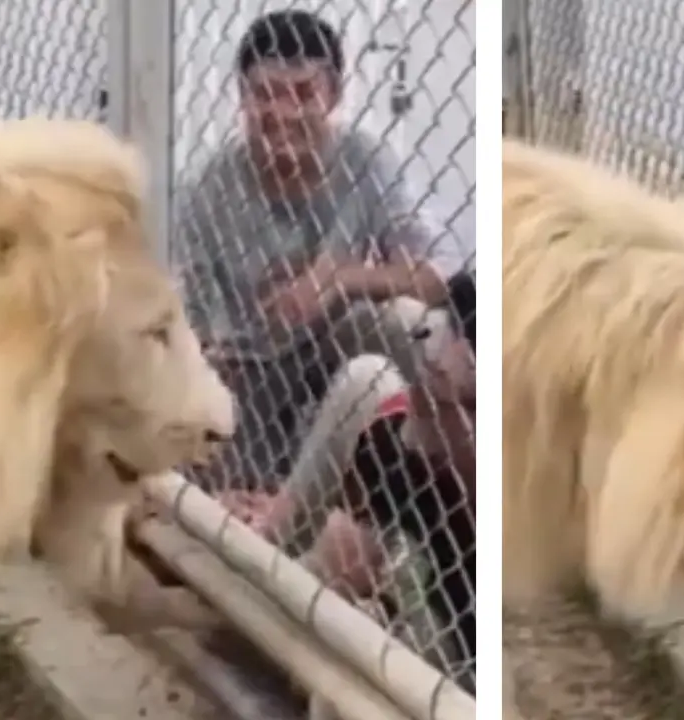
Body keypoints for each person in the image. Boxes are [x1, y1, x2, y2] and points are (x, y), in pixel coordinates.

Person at [174, 10, 466, 487]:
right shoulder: (208, 191)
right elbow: (212, 345)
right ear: (242, 98)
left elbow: (435, 279)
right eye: (265, 95)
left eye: (304, 94)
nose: (283, 114)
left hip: (339, 351)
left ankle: (441, 478)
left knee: (410, 324)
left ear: (334, 95)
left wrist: (338, 277)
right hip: (252, 369)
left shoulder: (365, 160)